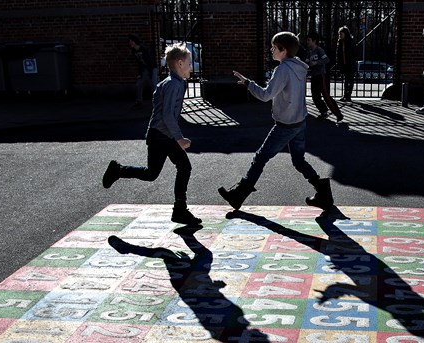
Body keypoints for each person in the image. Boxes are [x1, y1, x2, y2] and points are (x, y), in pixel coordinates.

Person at [218, 31, 335, 211]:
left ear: (283, 50)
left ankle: (238, 195)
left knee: (260, 158)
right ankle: (323, 193)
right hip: (299, 122)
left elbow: (266, 95)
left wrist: (249, 83)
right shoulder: (300, 67)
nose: (271, 50)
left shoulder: (282, 69)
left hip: (286, 125)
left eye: (274, 47)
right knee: (299, 161)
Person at [102, 43, 201, 226]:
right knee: (159, 172)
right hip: (160, 136)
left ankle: (179, 210)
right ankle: (118, 170)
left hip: (164, 135)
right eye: (189, 62)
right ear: (179, 63)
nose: (192, 66)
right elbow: (167, 116)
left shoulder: (178, 82)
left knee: (172, 169)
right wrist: (179, 137)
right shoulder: (172, 85)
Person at [305, 32, 343, 122]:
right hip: (314, 76)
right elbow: (306, 62)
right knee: (315, 96)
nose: (307, 42)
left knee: (326, 96)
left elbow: (326, 59)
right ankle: (323, 112)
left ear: (314, 41)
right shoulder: (309, 53)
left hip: (321, 76)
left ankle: (338, 114)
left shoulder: (319, 50)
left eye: (309, 40)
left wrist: (316, 62)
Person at [128, 34, 157, 108]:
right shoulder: (134, 51)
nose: (130, 42)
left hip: (151, 68)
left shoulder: (144, 49)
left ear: (135, 41)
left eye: (132, 41)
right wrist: (140, 73)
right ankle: (139, 101)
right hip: (144, 69)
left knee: (153, 85)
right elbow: (139, 63)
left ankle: (158, 101)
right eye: (129, 41)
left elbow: (150, 61)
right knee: (139, 85)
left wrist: (150, 73)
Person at [336, 26, 356, 102]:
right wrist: (338, 62)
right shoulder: (340, 42)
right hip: (343, 64)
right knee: (345, 80)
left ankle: (348, 95)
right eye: (339, 34)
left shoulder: (350, 41)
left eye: (341, 34)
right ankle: (345, 95)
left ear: (345, 34)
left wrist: (352, 61)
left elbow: (354, 53)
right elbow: (338, 53)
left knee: (350, 79)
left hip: (350, 63)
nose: (340, 35)